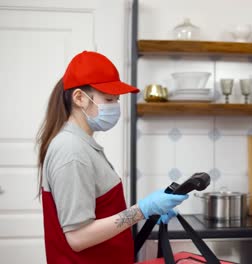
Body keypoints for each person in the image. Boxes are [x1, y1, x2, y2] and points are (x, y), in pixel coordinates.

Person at [37, 51, 188, 263]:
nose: (114, 106)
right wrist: (142, 210)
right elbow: (78, 237)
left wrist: (150, 212)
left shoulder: (83, 145)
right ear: (80, 97)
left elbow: (101, 212)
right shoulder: (71, 151)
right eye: (108, 99)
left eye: (116, 100)